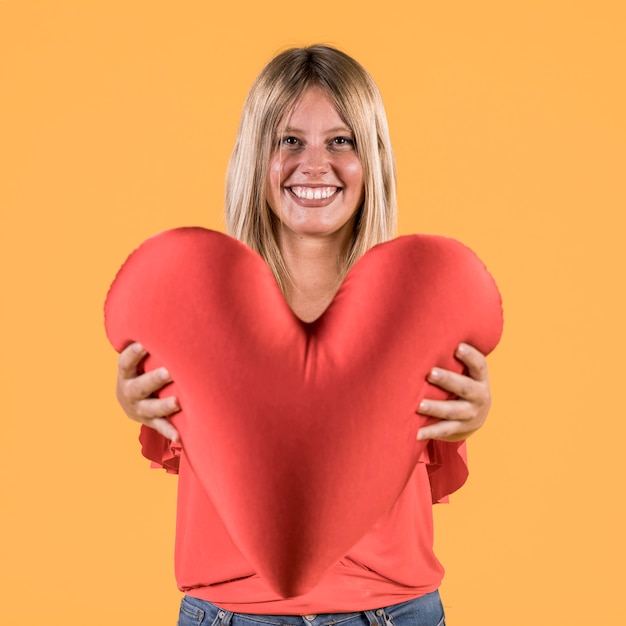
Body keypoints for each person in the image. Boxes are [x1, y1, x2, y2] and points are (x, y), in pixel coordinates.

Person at [115, 45, 492, 626]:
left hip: (394, 610)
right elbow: (185, 441)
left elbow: (427, 452)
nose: (314, 164)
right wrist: (141, 401)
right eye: (289, 140)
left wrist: (467, 415)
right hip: (232, 613)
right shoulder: (202, 304)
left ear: (373, 159)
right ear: (255, 157)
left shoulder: (416, 306)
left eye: (341, 141)